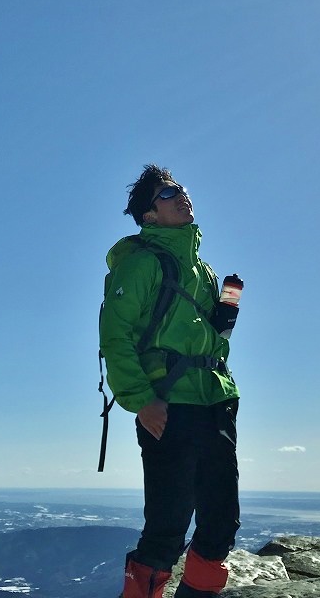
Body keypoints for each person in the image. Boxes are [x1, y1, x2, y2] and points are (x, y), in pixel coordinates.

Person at [100, 164, 241, 598]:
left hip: (215, 399)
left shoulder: (204, 270)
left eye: (180, 189)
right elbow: (115, 335)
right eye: (166, 194)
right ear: (149, 216)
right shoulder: (141, 264)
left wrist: (224, 318)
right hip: (169, 404)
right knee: (168, 523)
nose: (181, 196)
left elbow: (207, 337)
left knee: (220, 520)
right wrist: (142, 399)